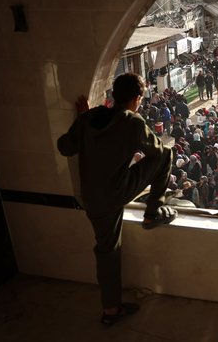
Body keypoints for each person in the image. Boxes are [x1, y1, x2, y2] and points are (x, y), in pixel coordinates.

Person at [57, 73, 178, 325]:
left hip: (90, 196)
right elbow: (156, 151)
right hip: (112, 195)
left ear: (113, 94)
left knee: (105, 249)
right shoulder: (132, 122)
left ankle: (111, 306)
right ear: (136, 99)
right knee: (167, 153)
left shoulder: (90, 117)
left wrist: (82, 123)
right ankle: (153, 211)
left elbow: (65, 147)